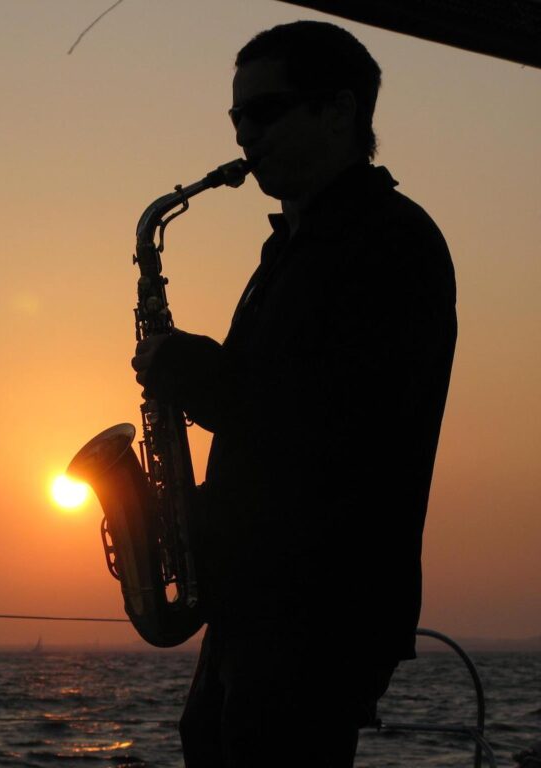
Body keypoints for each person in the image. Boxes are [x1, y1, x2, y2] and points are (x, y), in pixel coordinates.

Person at [131, 21, 457, 768]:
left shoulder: (390, 244)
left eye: (266, 112)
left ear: (339, 111)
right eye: (237, 118)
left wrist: (191, 373)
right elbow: (268, 433)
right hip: (262, 593)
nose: (247, 135)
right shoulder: (292, 247)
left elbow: (334, 424)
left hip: (320, 603)